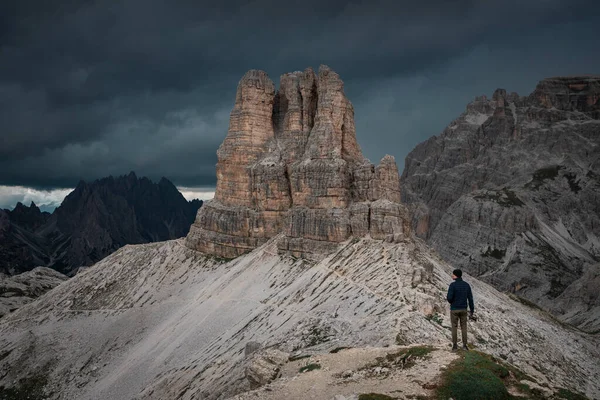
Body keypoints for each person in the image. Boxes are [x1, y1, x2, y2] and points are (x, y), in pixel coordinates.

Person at [446, 268, 474, 351]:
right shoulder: (466, 285)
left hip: (454, 309)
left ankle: (454, 346)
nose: (452, 275)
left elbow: (449, 297)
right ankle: (465, 346)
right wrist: (472, 310)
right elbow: (470, 299)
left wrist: (451, 301)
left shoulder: (452, 285)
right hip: (463, 309)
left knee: (454, 326)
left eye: (453, 274)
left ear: (456, 276)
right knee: (464, 327)